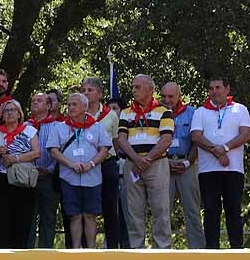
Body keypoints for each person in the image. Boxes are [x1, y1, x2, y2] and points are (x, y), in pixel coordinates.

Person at [191, 76, 250, 249]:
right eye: (211, 88)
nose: (214, 91)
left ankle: (236, 250)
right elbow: (196, 136)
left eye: (218, 87)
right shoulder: (200, 112)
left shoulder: (240, 109)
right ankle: (212, 250)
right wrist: (216, 151)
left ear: (227, 89)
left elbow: (245, 134)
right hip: (208, 171)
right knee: (211, 210)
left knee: (233, 209)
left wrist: (224, 148)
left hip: (233, 170)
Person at [114, 74, 174, 249]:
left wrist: (146, 159)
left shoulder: (164, 111)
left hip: (156, 165)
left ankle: (162, 249)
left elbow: (166, 139)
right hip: (133, 165)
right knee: (134, 210)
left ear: (150, 89)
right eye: (133, 87)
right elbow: (122, 139)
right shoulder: (126, 113)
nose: (133, 91)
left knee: (161, 209)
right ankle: (136, 249)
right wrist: (136, 159)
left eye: (137, 87)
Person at [47, 93, 112, 249]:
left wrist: (91, 163)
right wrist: (70, 164)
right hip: (69, 177)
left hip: (92, 177)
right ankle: (76, 250)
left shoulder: (96, 127)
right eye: (69, 105)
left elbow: (105, 150)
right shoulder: (60, 127)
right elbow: (53, 150)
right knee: (74, 215)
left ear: (84, 107)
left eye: (74, 104)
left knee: (90, 215)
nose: (70, 108)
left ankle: (91, 250)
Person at [0, 99, 40, 249]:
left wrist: (16, 158)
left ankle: (20, 253)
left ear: (19, 113)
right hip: (0, 180)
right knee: (1, 219)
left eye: (12, 110)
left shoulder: (29, 131)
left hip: (22, 179)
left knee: (22, 218)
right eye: (6, 110)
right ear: (2, 114)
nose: (9, 113)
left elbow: (37, 153)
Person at [81, 77, 126, 248]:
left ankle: (113, 248)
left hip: (106, 165)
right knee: (85, 209)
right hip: (84, 167)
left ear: (99, 94)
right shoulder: (79, 114)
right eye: (83, 90)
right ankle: (84, 249)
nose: (86, 93)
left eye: (90, 90)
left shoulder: (111, 115)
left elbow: (115, 141)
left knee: (110, 208)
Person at [160, 81, 204, 249]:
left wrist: (188, 162)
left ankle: (198, 250)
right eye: (164, 96)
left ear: (179, 96)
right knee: (163, 211)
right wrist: (165, 161)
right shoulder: (157, 113)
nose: (167, 100)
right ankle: (162, 250)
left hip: (188, 164)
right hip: (164, 164)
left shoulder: (192, 113)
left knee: (192, 211)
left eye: (171, 96)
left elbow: (198, 141)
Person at [28, 93, 60, 248]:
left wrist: (49, 169)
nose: (35, 102)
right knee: (28, 216)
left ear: (48, 106)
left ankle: (46, 251)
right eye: (33, 100)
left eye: (39, 100)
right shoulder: (25, 126)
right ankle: (26, 251)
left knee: (48, 216)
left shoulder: (57, 126)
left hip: (48, 177)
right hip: (28, 178)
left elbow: (59, 151)